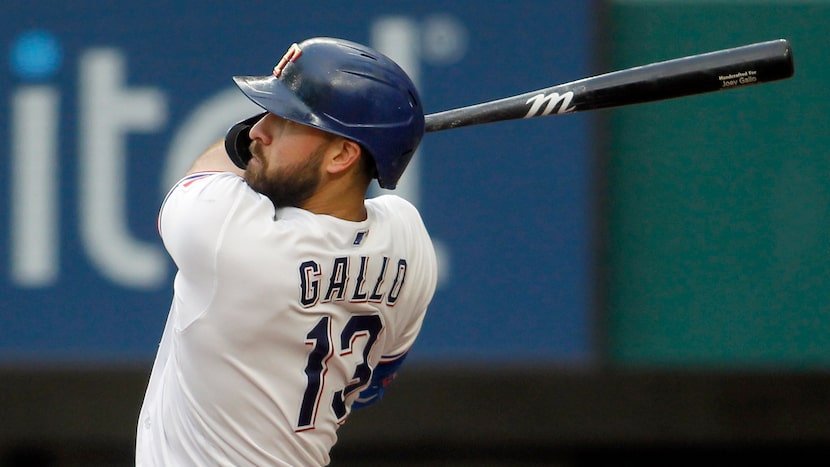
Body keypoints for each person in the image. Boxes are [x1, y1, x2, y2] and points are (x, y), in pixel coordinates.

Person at [135, 37, 438, 466]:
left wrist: (240, 140)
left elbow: (219, 158)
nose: (259, 130)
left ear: (343, 155)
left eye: (286, 120)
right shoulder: (409, 241)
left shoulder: (227, 233)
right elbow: (370, 387)